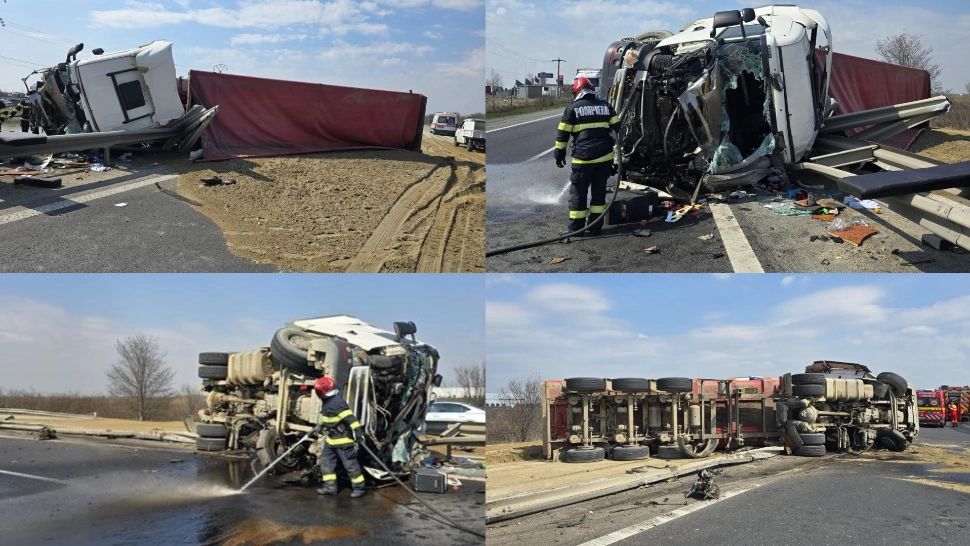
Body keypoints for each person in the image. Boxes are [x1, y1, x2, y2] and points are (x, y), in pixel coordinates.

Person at [554, 75, 620, 237]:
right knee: (599, 193)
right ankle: (595, 227)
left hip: (583, 160)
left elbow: (563, 135)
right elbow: (617, 127)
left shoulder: (572, 108)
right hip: (604, 158)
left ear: (576, 91)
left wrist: (559, 154)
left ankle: (576, 229)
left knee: (578, 193)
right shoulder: (605, 106)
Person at [311, 375, 367, 498]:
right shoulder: (327, 401)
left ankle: (359, 488)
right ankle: (330, 487)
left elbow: (351, 419)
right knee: (326, 462)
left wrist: (358, 434)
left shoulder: (337, 403)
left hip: (343, 441)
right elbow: (330, 419)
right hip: (331, 440)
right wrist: (320, 427)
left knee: (350, 466)